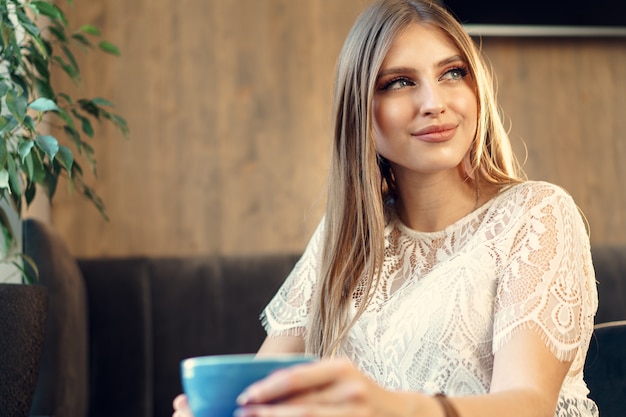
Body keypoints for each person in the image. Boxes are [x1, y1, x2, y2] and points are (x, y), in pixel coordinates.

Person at [173, 0, 599, 416]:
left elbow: (528, 404)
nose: (434, 102)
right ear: (360, 111)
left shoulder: (537, 214)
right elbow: (264, 387)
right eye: (399, 82)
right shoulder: (346, 239)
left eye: (452, 73)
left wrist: (383, 408)